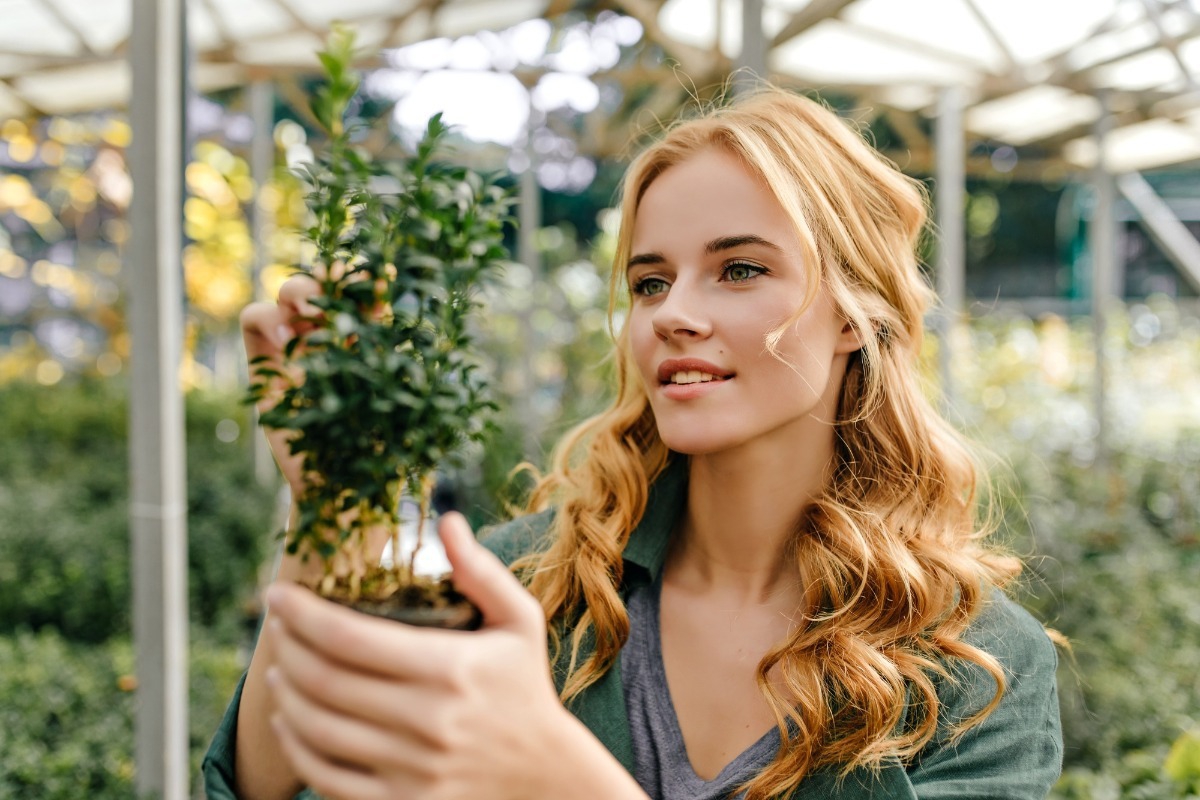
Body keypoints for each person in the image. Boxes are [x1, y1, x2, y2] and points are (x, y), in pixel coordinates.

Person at [204, 86, 1063, 800]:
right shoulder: (521, 586)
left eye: (739, 269)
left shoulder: (977, 667)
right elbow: (279, 787)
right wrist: (331, 504)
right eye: (651, 281)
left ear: (853, 312)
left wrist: (556, 772)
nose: (674, 314)